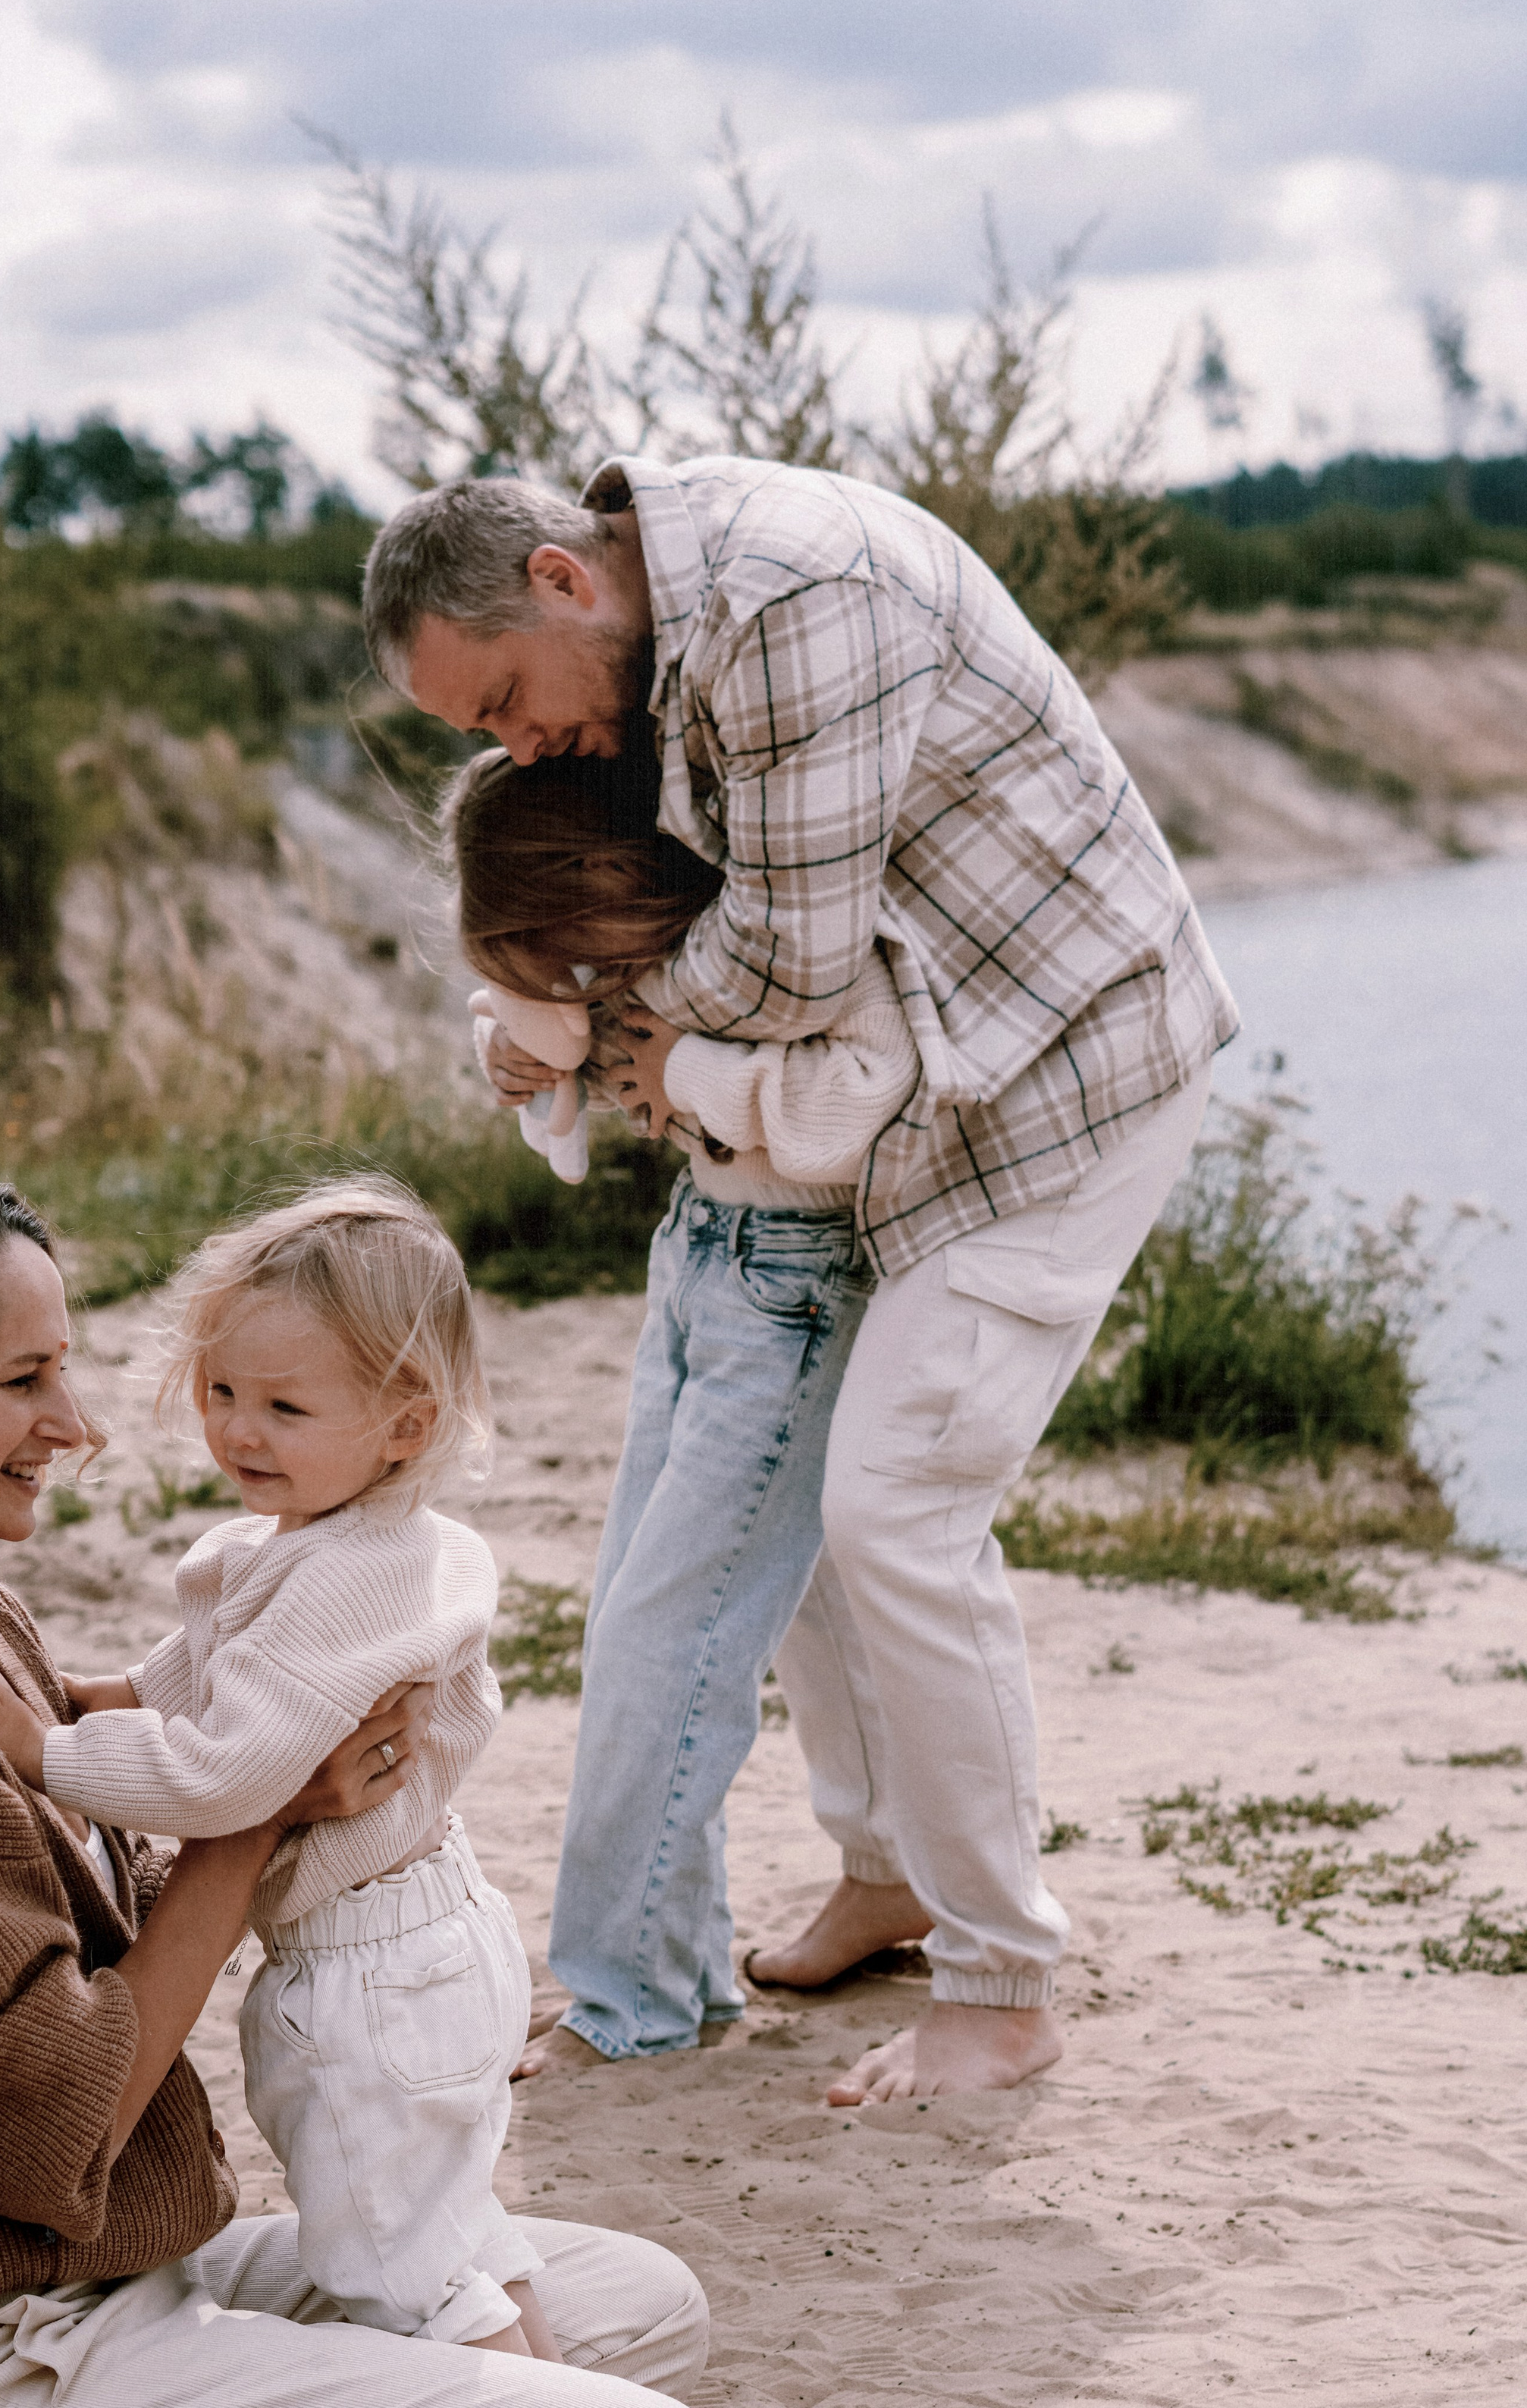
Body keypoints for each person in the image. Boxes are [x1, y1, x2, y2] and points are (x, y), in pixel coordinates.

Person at [362, 458, 1237, 2102]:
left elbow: (785, 965)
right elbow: (746, 946)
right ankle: (890, 1867)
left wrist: (605, 1029)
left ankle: (999, 1982)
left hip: (1055, 1075)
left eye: (500, 704)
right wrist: (582, 1026)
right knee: (839, 1506)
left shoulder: (789, 601)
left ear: (561, 582)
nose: (515, 749)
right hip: (936, 1081)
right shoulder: (670, 636)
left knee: (899, 1505)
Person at [0, 1154, 709, 2406]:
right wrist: (269, 1805)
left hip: (111, 2275)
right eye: (25, 1380)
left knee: (642, 2306)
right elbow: (49, 2133)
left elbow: (122, 1890)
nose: (77, 1424)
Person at [0, 1179, 556, 2360]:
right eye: (221, 1393)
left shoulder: (344, 1575)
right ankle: (562, 2384)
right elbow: (189, 1680)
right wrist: (78, 1696)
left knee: (395, 2269)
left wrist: (41, 1749)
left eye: (284, 1405)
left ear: (406, 1424)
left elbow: (224, 1779)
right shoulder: (332, 1543)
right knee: (459, 2236)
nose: (239, 1432)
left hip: (371, 1975)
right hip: (430, 1943)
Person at [446, 744, 917, 2069]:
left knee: (670, 1638)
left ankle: (631, 1994)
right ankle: (691, 1968)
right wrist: (531, 1065)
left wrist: (694, 1079)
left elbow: (855, 1110)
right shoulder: (657, 963)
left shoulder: (804, 942)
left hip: (798, 1286)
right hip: (703, 1255)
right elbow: (593, 1085)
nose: (565, 979)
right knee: (685, 1615)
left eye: (559, 946)